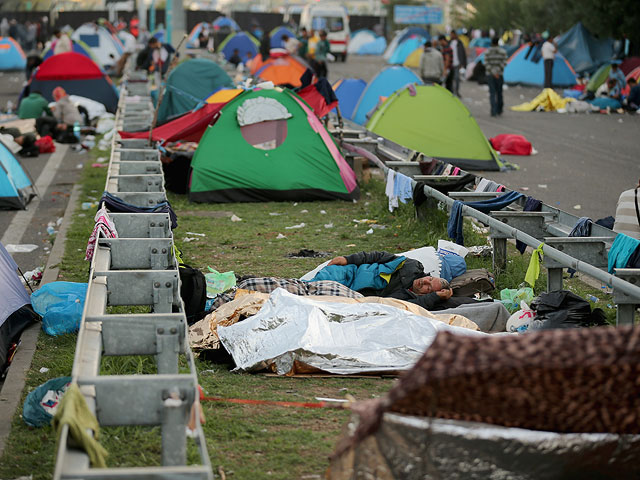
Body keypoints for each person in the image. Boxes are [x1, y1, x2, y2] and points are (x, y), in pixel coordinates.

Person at [320, 251, 482, 311]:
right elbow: (379, 256)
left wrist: (435, 298)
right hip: (351, 273)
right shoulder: (411, 266)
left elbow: (396, 306)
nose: (424, 283)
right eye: (429, 279)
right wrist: (347, 259)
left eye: (428, 288)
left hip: (353, 294)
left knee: (318, 297)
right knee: (318, 282)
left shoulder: (411, 302)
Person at [484, 36, 508, 117]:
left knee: (492, 93)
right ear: (498, 42)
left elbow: (486, 64)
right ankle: (499, 110)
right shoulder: (503, 52)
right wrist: (497, 72)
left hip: (490, 75)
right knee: (499, 93)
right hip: (499, 75)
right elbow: (504, 63)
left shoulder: (487, 52)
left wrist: (493, 72)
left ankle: (493, 111)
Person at [449, 31, 467, 96]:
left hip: (457, 63)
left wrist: (462, 63)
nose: (452, 36)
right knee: (450, 78)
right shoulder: (449, 43)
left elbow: (463, 54)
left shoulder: (459, 43)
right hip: (450, 63)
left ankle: (457, 91)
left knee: (457, 78)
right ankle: (451, 91)